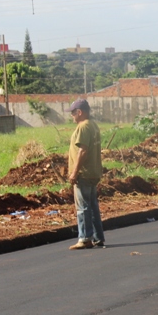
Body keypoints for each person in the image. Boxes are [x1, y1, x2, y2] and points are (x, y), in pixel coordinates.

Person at [66, 98, 105, 250]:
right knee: (93, 206)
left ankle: (84, 238)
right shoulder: (93, 125)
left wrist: (74, 173)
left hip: (84, 173)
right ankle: (98, 237)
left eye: (73, 113)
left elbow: (82, 151)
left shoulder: (83, 127)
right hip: (94, 172)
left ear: (80, 112)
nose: (72, 116)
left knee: (83, 207)